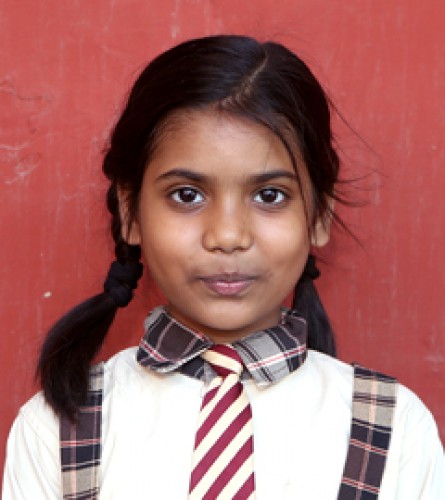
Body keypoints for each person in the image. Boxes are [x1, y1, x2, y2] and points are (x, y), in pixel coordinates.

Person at [2, 35, 444, 500]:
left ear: (319, 215)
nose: (228, 236)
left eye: (269, 195)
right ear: (130, 212)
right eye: (187, 195)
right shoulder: (57, 429)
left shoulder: (395, 429)